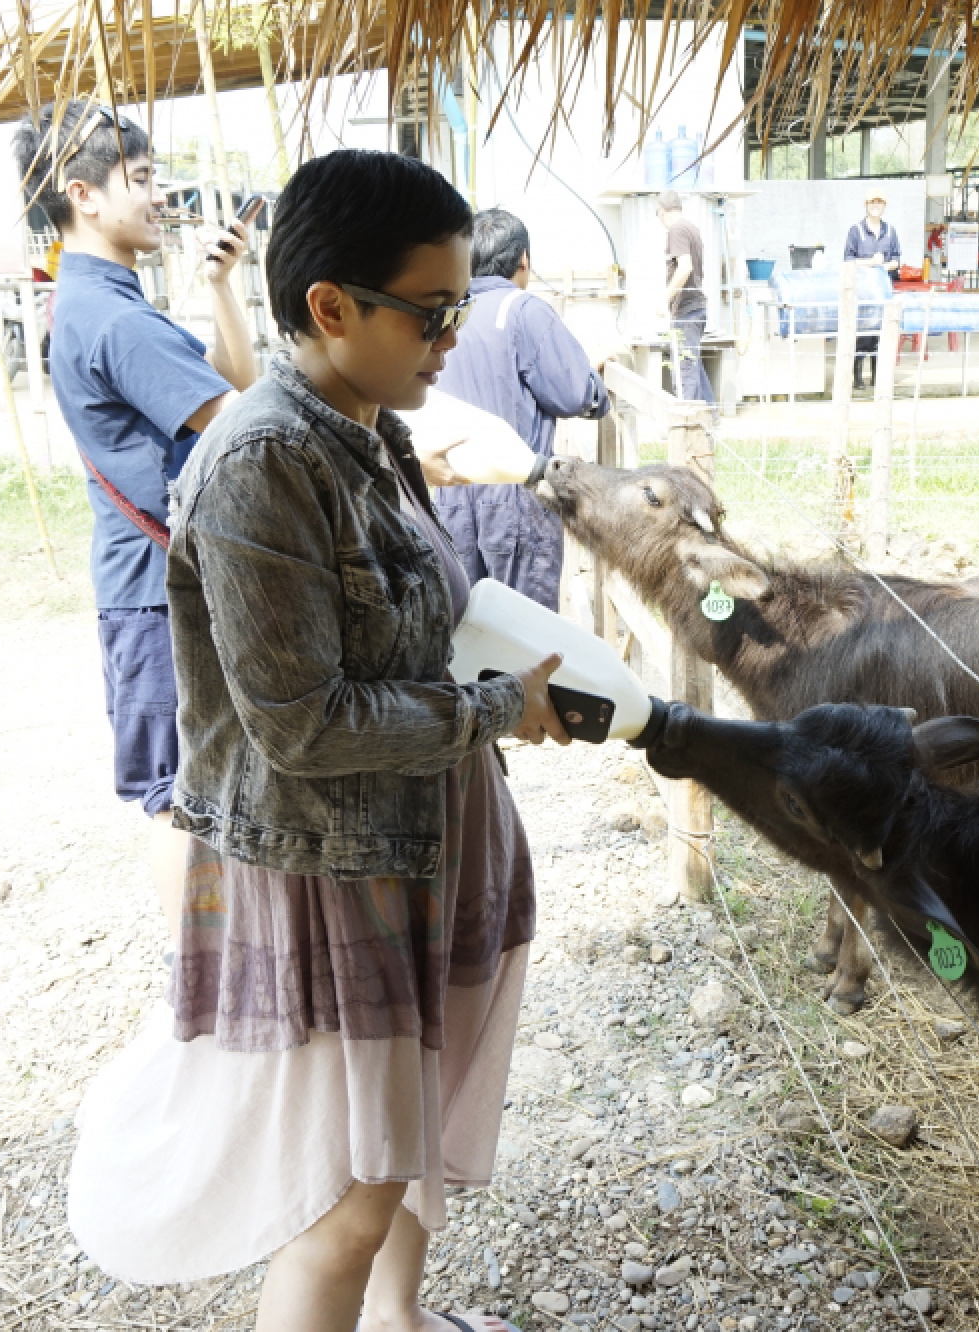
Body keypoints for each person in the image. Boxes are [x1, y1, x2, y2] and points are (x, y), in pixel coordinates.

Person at [64, 148, 567, 1332]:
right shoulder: (262, 461)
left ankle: (399, 1319)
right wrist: (497, 709)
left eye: (459, 306)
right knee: (344, 1197)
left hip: (410, 837)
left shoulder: (369, 430)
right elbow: (302, 724)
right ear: (331, 307)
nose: (452, 337)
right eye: (431, 312)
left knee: (400, 1134)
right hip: (334, 868)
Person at [11, 102, 255, 928]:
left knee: (195, 783)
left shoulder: (98, 302)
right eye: (142, 178)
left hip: (154, 584)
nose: (159, 196)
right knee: (180, 794)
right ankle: (204, 963)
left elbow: (231, 385)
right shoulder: (113, 317)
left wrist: (220, 287)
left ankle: (213, 958)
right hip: (159, 594)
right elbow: (245, 423)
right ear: (83, 195)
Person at [432, 207, 609, 611]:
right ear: (523, 260)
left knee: (466, 622)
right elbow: (575, 395)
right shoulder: (522, 309)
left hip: (451, 495)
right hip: (515, 496)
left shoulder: (448, 314)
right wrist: (592, 378)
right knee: (525, 627)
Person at [656, 190, 712, 402]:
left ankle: (687, 418)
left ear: (662, 211)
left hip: (686, 311)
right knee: (693, 367)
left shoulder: (676, 230)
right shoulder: (692, 228)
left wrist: (664, 299)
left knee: (684, 371)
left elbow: (685, 267)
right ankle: (710, 416)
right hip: (696, 307)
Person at [843, 188, 902, 389]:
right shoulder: (855, 230)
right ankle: (857, 379)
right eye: (872, 202)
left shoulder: (890, 231)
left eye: (879, 202)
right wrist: (871, 262)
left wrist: (885, 266)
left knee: (881, 335)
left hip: (883, 291)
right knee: (862, 334)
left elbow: (896, 260)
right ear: (866, 205)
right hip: (863, 293)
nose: (875, 206)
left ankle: (878, 378)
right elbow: (848, 261)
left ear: (884, 206)